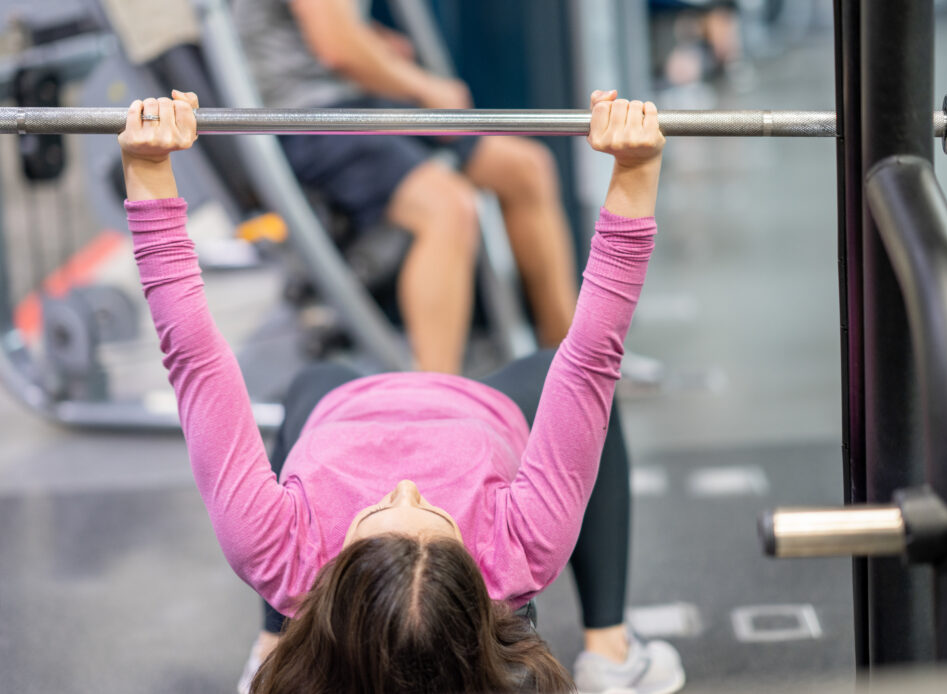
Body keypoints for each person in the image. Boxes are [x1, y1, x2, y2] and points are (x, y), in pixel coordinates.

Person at [119, 89, 685, 693]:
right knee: (571, 385)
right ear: (477, 592)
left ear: (331, 588)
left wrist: (149, 170)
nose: (409, 488)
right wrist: (633, 172)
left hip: (340, 408)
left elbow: (195, 360)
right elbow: (591, 359)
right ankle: (611, 652)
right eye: (435, 517)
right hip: (477, 411)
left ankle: (273, 646)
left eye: (383, 514)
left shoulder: (277, 552)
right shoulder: (520, 548)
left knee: (309, 383)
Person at [232, 0, 580, 375]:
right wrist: (424, 87)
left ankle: (569, 366)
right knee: (448, 206)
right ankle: (435, 402)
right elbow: (337, 48)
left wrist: (375, 45)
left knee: (525, 168)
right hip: (310, 121)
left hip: (359, 104)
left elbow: (326, 30)